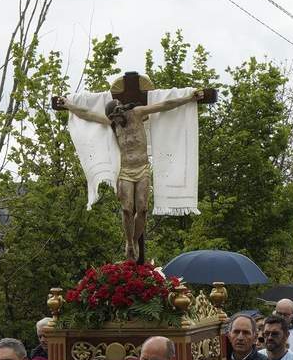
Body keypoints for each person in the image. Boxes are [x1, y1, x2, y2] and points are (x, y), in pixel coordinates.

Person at [55, 89, 205, 262]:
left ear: (122, 111)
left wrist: (188, 98)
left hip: (142, 168)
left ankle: (135, 240)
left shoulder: (137, 113)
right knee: (127, 209)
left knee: (142, 208)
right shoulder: (112, 122)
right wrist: (68, 105)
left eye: (117, 118)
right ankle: (129, 242)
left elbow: (164, 105)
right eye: (113, 119)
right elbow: (87, 114)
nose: (116, 122)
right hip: (125, 170)